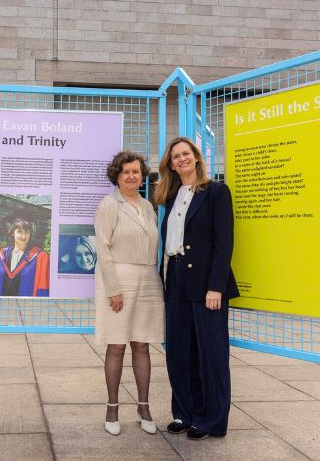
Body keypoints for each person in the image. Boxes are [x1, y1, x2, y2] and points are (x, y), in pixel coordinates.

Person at [155, 137, 239, 440]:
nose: (181, 160)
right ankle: (185, 412)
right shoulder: (171, 196)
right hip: (175, 278)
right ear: (171, 163)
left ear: (196, 158)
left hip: (206, 284)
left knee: (210, 354)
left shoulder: (216, 191)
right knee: (178, 350)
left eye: (185, 154)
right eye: (175, 156)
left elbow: (223, 243)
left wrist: (215, 287)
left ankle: (211, 420)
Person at [94, 151, 164, 436]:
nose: (132, 176)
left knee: (142, 344)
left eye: (136, 171)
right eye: (126, 172)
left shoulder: (148, 205)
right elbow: (102, 247)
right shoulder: (109, 205)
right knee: (117, 345)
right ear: (117, 175)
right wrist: (113, 289)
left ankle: (143, 408)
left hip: (148, 279)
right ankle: (112, 409)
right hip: (118, 282)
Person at [0, 218, 49, 297]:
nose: (23, 236)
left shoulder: (40, 256)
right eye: (19, 232)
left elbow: (43, 286)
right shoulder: (1, 255)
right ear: (13, 233)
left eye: (26, 232)